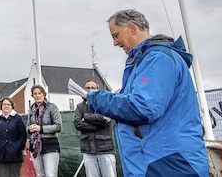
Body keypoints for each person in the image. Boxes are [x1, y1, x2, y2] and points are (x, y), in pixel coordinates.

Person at [87, 9, 209, 176]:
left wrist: (97, 98)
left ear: (132, 28)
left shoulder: (158, 59)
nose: (115, 43)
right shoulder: (144, 61)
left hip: (168, 163)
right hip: (157, 161)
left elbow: (143, 108)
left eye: (116, 36)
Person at [73, 81, 116, 177]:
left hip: (105, 149)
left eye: (93, 88)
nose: (90, 90)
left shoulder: (105, 104)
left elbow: (105, 121)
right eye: (88, 88)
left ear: (98, 90)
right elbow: (77, 124)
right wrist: (95, 126)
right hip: (88, 150)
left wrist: (86, 117)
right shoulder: (80, 107)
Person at [27, 85, 61, 177]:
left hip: (50, 144)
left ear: (44, 94)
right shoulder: (31, 109)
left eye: (39, 93)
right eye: (35, 94)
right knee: (40, 175)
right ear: (32, 96)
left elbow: (58, 126)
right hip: (35, 146)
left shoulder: (52, 107)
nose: (37, 95)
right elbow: (27, 126)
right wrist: (30, 129)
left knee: (50, 174)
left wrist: (41, 129)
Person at [0, 97, 27, 177]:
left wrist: (16, 147)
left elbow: (23, 136)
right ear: (1, 106)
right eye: (4, 104)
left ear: (12, 106)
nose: (6, 106)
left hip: (15, 155)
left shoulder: (18, 119)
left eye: (8, 104)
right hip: (0, 154)